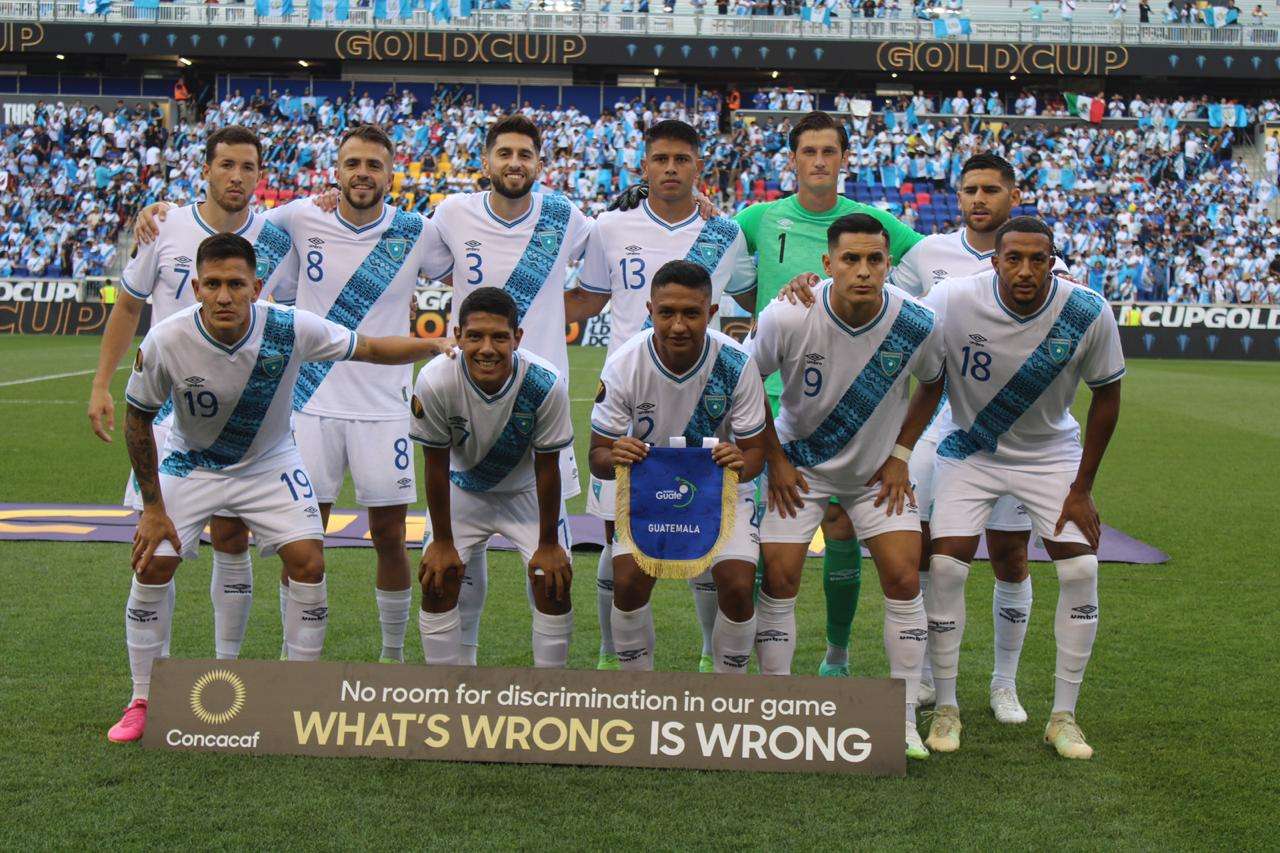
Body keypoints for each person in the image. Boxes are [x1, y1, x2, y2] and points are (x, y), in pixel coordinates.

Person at [109, 233, 450, 743]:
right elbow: (137, 420)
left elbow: (372, 347)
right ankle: (142, 697)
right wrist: (152, 507)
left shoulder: (289, 328)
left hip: (270, 464)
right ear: (198, 287)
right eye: (215, 284)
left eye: (237, 284)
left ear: (257, 287)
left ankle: (300, 692)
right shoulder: (166, 340)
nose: (225, 296)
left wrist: (438, 344)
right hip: (193, 464)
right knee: (152, 560)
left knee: (309, 562)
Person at [916, 216, 1124, 760]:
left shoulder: (1087, 310)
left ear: (1053, 261)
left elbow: (1108, 398)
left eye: (1039, 259)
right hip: (970, 449)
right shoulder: (952, 299)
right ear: (995, 260)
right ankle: (946, 706)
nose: (1026, 270)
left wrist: (1082, 487)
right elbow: (885, 316)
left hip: (1050, 455)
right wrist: (810, 289)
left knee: (1080, 569)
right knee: (944, 566)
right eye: (1014, 259)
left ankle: (1063, 717)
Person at [88, 126, 297, 664]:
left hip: (236, 414)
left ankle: (225, 667)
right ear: (205, 169)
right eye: (226, 165)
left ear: (259, 175)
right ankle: (150, 686)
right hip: (163, 414)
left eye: (248, 167)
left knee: (231, 537)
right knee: (157, 548)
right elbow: (130, 306)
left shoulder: (275, 237)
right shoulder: (167, 225)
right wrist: (101, 385)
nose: (236, 176)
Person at [250, 123, 455, 664]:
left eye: (374, 165)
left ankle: (391, 658)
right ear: (335, 170)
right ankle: (297, 657)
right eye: (352, 164)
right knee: (302, 534)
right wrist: (153, 214)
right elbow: (237, 225)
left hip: (385, 406)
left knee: (388, 534)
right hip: (311, 402)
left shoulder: (418, 230)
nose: (362, 174)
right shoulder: (299, 216)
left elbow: (474, 264)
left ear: (393, 173)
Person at [747, 213, 945, 760]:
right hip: (800, 468)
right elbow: (745, 384)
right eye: (851, 260)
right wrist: (777, 459)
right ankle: (773, 709)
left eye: (875, 259)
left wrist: (902, 453)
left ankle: (902, 717)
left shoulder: (916, 321)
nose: (863, 270)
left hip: (876, 474)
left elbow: (933, 381)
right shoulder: (789, 313)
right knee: (781, 577)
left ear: (888, 265)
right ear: (826, 264)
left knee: (905, 576)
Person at [736, 111, 925, 679]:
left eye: (830, 151)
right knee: (765, 555)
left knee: (843, 530)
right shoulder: (760, 218)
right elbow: (703, 246)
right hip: (774, 407)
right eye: (808, 151)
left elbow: (937, 262)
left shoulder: (874, 226)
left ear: (845, 159)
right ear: (791, 160)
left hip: (854, 406)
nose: (819, 160)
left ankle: (836, 655)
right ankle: (730, 659)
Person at [565, 119, 757, 672]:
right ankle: (612, 653)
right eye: (660, 159)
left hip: (705, 398)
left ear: (699, 167)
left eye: (681, 160)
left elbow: (749, 297)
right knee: (618, 542)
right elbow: (587, 300)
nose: (670, 169)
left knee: (710, 532)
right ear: (643, 166)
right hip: (631, 403)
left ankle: (708, 652)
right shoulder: (611, 226)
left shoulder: (727, 233)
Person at [888, 153, 1070, 720]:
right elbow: (893, 318)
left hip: (1009, 432)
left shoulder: (1038, 261)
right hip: (931, 426)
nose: (979, 199)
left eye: (992, 189)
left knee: (1011, 553)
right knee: (919, 549)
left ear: (1013, 196)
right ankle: (920, 677)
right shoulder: (926, 255)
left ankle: (1003, 682)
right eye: (970, 189)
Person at [427, 115, 591, 665]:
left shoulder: (565, 216)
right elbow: (406, 251)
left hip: (539, 405)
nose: (515, 162)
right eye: (505, 153)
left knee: (550, 571)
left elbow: (619, 236)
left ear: (540, 164)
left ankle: (550, 697)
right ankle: (457, 684)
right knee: (453, 571)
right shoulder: (451, 214)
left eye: (526, 153)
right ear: (487, 161)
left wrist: (696, 207)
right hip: (466, 399)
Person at [589, 260, 768, 673]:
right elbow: (597, 457)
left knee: (740, 586)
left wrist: (739, 462)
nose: (678, 325)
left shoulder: (736, 363)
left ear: (712, 312)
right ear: (650, 311)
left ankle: (727, 698)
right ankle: (638, 693)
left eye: (692, 313)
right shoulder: (624, 363)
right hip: (649, 490)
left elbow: (756, 454)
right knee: (629, 582)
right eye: (667, 313)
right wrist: (615, 454)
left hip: (720, 489)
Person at [411, 287, 575, 668]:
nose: (487, 348)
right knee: (438, 578)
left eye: (500, 337)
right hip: (462, 491)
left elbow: (548, 466)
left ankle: (550, 694)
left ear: (517, 338)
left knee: (551, 582)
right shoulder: (436, 380)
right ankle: (447, 689)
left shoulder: (545, 382)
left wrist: (549, 545)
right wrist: (443, 542)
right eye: (475, 337)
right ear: (457, 337)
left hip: (528, 494)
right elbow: (434, 464)